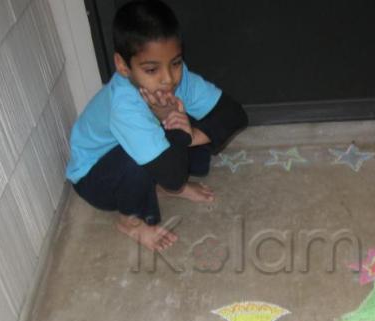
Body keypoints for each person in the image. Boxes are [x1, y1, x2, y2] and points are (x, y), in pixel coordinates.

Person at [66, 0, 248, 251]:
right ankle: (130, 221)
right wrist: (174, 127)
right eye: (151, 69)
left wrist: (190, 133)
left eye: (175, 63)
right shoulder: (124, 107)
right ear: (122, 66)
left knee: (193, 126)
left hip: (143, 146)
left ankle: (158, 180)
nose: (168, 79)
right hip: (96, 176)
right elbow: (174, 178)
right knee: (147, 159)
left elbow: (234, 114)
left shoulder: (177, 78)